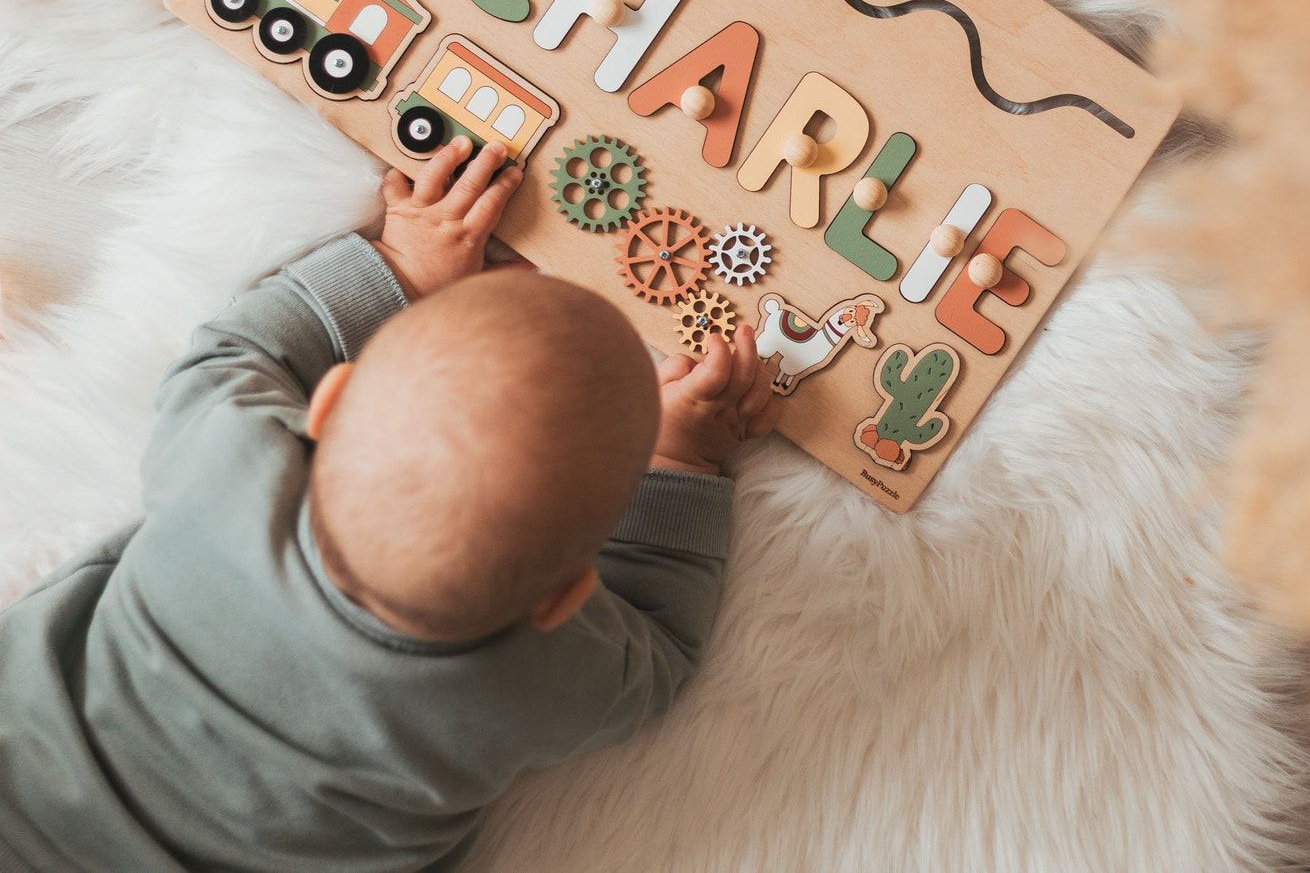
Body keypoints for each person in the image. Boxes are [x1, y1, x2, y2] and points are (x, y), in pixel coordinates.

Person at [0, 136, 778, 871]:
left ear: (328, 402)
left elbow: (238, 350)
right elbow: (664, 648)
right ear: (567, 595)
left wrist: (398, 265)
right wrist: (682, 457)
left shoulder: (227, 456)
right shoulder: (541, 678)